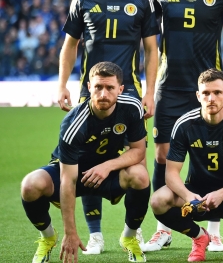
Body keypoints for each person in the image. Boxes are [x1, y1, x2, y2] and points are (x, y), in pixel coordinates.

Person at [55, 0, 158, 254]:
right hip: (92, 92)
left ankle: (132, 231)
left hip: (129, 93)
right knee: (88, 159)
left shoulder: (141, 2)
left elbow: (152, 50)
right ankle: (95, 234)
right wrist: (62, 84)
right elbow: (70, 45)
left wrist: (151, 92)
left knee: (136, 163)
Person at [144, 0, 223, 253]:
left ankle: (214, 230)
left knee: (215, 155)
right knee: (163, 155)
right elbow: (149, 43)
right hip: (170, 87)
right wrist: (148, 89)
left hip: (209, 88)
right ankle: (163, 228)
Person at [21, 62, 150, 263]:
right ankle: (48, 237)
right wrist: (70, 233)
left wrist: (107, 166)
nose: (104, 94)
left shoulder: (132, 107)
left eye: (110, 88)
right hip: (72, 172)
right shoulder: (74, 123)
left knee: (140, 175)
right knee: (30, 185)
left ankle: (129, 237)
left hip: (107, 173)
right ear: (89, 87)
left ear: (121, 89)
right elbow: (67, 180)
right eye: (98, 87)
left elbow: (138, 151)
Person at [149, 68, 223, 262]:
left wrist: (222, 194)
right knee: (158, 201)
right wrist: (189, 197)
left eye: (217, 92)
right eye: (206, 93)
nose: (211, 98)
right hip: (197, 195)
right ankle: (199, 237)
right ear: (198, 96)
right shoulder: (184, 124)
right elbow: (171, 174)